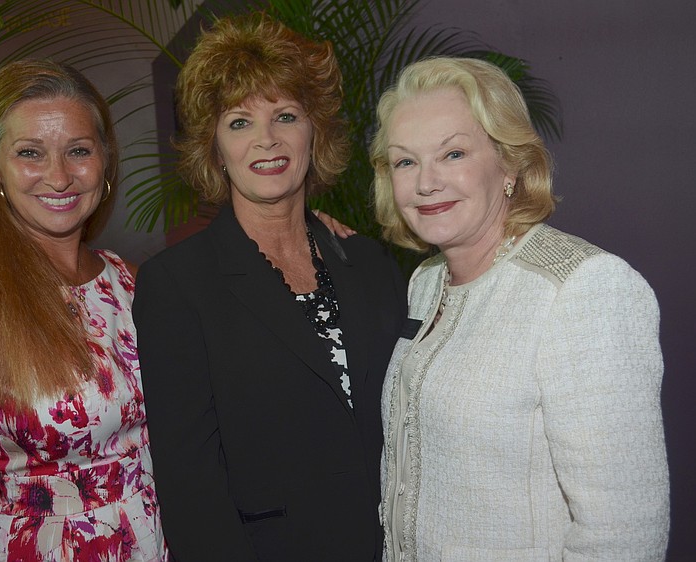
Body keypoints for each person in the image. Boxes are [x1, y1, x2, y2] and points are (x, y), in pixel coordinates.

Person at [369, 56, 669, 560]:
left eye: (453, 153)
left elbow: (625, 537)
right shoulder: (426, 282)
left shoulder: (584, 289)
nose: (425, 182)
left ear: (508, 164)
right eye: (405, 161)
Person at [131, 13, 406, 562]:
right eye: (239, 122)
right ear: (214, 147)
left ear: (314, 131)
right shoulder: (176, 285)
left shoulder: (370, 262)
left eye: (285, 115)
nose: (267, 140)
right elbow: (190, 486)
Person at [0, 59, 167, 561]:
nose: (59, 176)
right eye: (30, 153)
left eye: (79, 151)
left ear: (105, 160)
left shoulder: (129, 281)